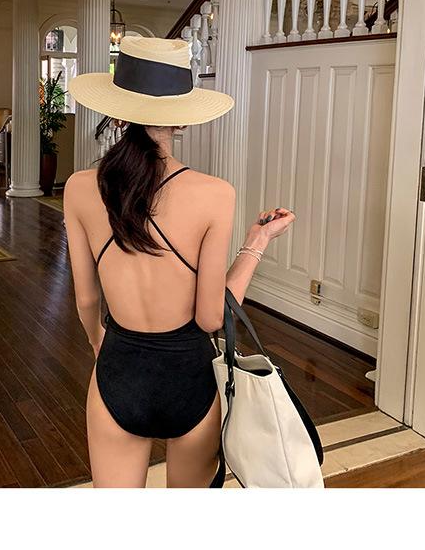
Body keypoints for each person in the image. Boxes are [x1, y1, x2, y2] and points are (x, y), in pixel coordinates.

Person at [64, 37, 295, 488]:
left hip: (118, 369)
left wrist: (99, 347)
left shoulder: (78, 187)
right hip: (190, 377)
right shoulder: (216, 194)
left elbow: (87, 300)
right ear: (182, 119)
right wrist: (257, 241)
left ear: (118, 114)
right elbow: (210, 318)